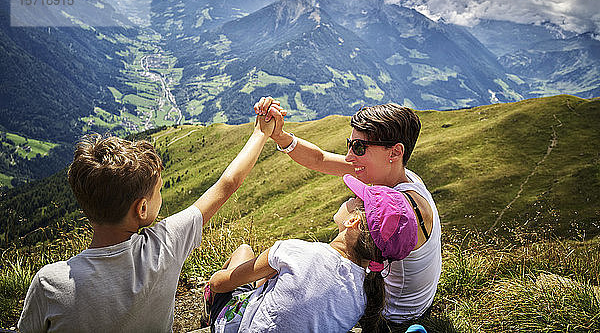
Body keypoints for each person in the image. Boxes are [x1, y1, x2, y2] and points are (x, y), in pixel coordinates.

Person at [17, 116, 275, 332]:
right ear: (142, 209)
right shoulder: (165, 246)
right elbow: (227, 184)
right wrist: (261, 133)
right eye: (159, 191)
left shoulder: (49, 283)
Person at [254, 97, 442, 330]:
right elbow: (320, 159)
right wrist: (279, 136)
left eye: (359, 148)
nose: (350, 156)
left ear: (395, 151)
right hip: (416, 304)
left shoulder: (398, 213)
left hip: (392, 315)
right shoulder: (404, 178)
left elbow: (343, 227)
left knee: (293, 267)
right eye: (350, 144)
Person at [205, 174, 418, 333]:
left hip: (235, 326)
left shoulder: (293, 251)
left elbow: (219, 283)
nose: (349, 199)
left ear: (352, 221)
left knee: (244, 250)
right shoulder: (365, 294)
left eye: (354, 198)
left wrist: (213, 285)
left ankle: (208, 311)